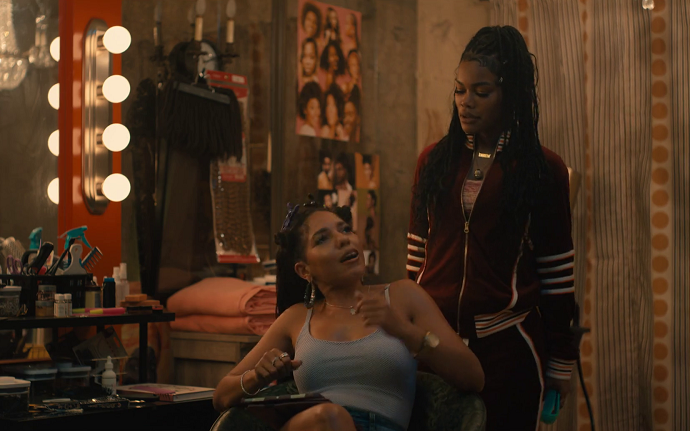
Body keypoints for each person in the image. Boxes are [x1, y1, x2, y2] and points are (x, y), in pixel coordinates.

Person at [407, 26, 577, 431]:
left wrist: (560, 364)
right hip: (434, 347)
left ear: (511, 94)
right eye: (459, 90)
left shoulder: (542, 170)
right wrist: (409, 333)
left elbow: (557, 276)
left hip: (507, 352)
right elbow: (415, 259)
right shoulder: (433, 161)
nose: (465, 102)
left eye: (481, 92)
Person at [213, 200, 484, 431]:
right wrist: (257, 377)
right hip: (319, 425)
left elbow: (473, 378)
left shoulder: (404, 296)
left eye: (345, 229)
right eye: (323, 239)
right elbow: (221, 396)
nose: (344, 239)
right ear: (304, 271)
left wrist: (406, 332)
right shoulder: (296, 319)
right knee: (330, 418)